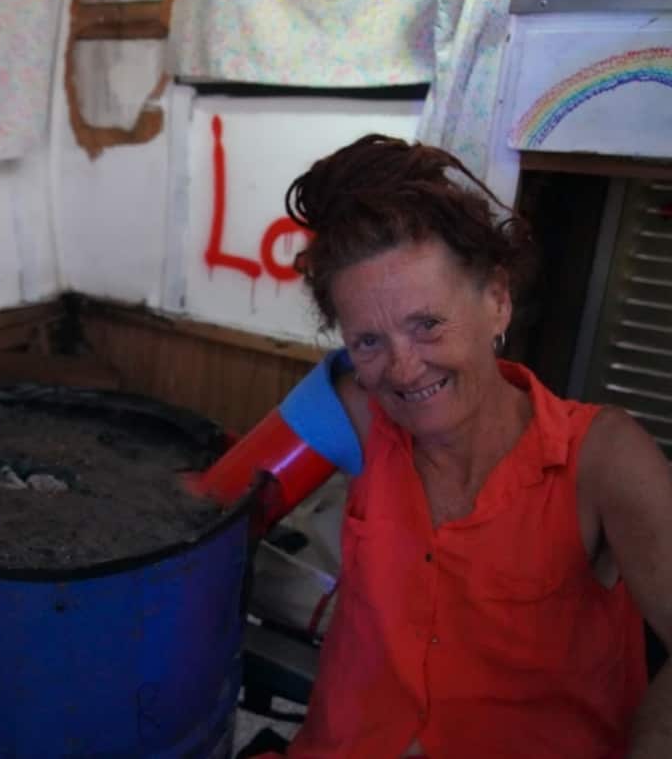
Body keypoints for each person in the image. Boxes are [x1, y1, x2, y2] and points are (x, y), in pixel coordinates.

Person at [277, 134, 672, 758]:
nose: (404, 370)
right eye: (369, 341)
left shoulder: (601, 458)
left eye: (428, 324)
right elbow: (215, 502)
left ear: (497, 301)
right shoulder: (355, 406)